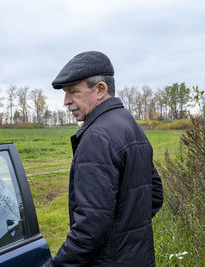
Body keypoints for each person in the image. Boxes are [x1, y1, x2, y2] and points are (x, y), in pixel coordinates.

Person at [45, 51, 163, 266]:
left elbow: (90, 229)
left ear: (100, 89)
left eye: (73, 92)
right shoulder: (129, 124)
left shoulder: (96, 138)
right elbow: (154, 195)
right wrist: (125, 232)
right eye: (65, 93)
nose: (66, 101)